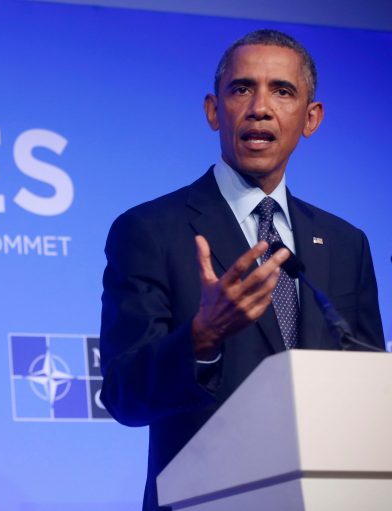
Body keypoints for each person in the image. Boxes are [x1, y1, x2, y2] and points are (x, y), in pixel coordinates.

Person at [99, 29, 385, 511]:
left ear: (310, 118)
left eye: (283, 91)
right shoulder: (151, 230)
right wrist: (202, 337)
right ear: (214, 110)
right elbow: (124, 395)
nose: (260, 107)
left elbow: (369, 391)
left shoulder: (344, 243)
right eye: (241, 89)